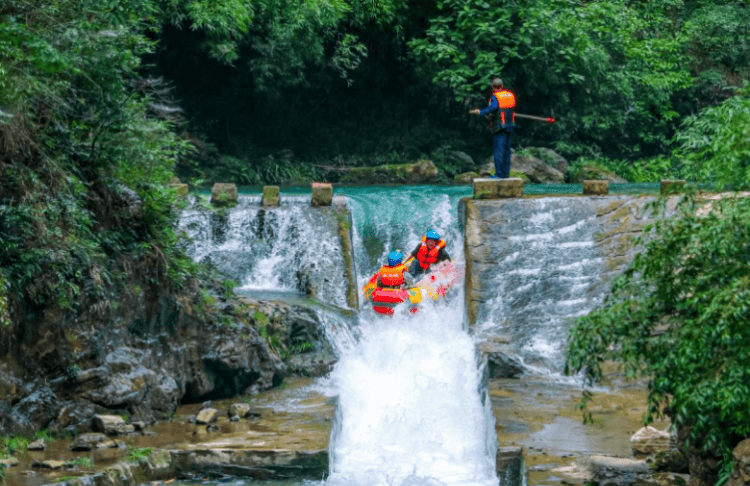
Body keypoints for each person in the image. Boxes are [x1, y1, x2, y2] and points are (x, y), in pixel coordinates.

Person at [469, 77, 515, 179]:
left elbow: (493, 108)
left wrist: (480, 112)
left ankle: (499, 174)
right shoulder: (510, 95)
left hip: (500, 127)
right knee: (507, 152)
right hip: (510, 126)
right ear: (502, 85)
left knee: (499, 151)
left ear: (493, 87)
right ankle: (505, 174)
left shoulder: (496, 96)